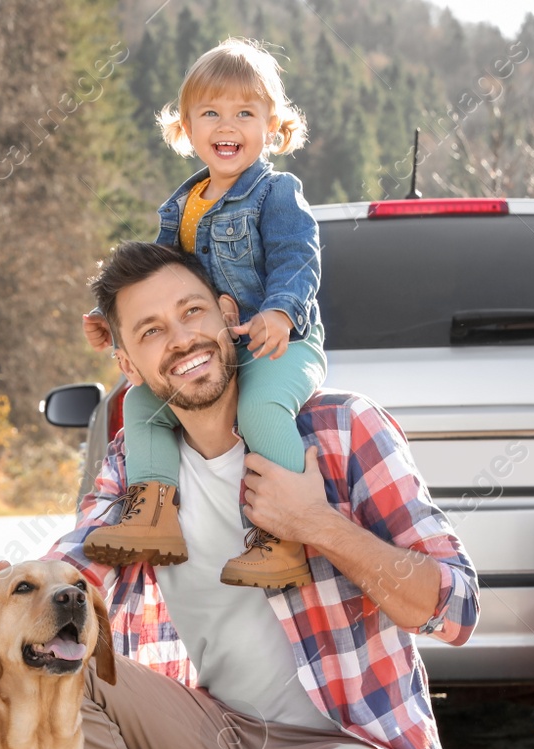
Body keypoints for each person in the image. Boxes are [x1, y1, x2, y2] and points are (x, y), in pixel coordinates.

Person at [47, 242, 479, 749]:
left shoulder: (343, 429)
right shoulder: (139, 467)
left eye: (190, 312)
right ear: (128, 363)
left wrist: (317, 523)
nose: (179, 338)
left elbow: (454, 604)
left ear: (229, 315)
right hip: (221, 742)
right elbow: (73, 569)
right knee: (62, 676)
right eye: (150, 331)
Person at [81, 38, 327, 591]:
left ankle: (284, 537)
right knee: (140, 400)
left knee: (261, 410)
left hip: (283, 345)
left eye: (245, 112)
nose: (228, 124)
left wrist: (281, 313)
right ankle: (153, 514)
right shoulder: (182, 204)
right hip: (221, 348)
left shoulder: (275, 192)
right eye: (211, 112)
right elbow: (151, 277)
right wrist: (108, 315)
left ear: (271, 126)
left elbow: (298, 255)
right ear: (187, 129)